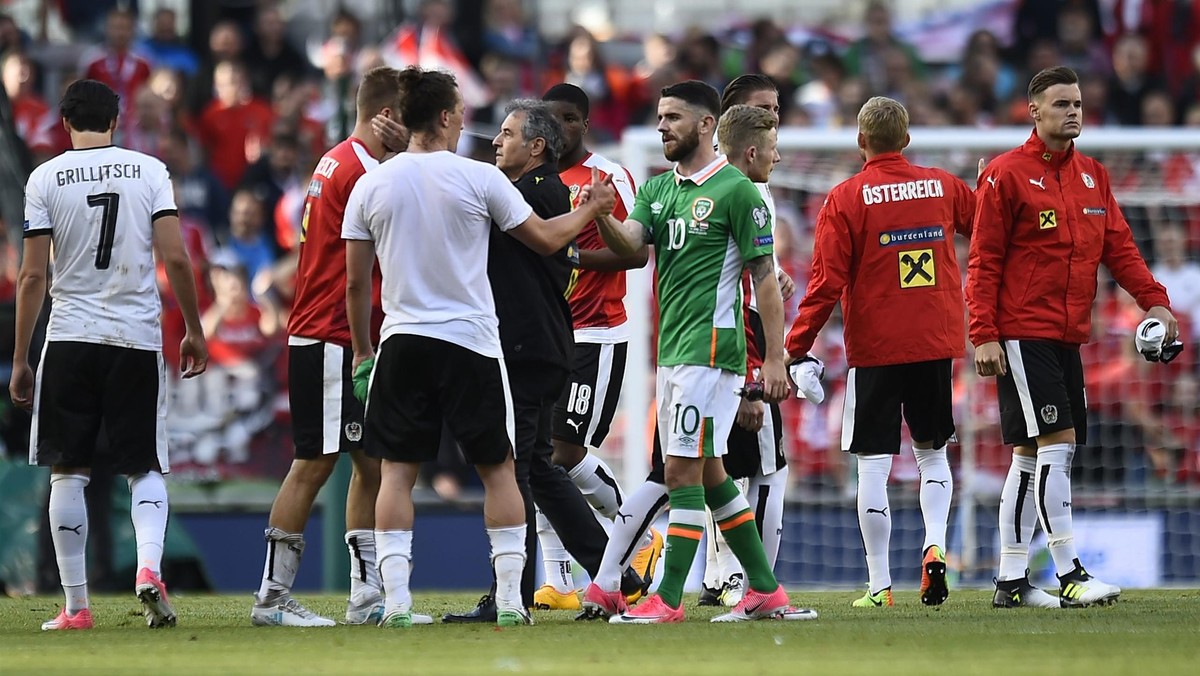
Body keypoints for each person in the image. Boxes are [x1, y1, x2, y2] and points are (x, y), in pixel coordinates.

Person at [342, 67, 615, 628]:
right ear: (444, 116)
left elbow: (354, 283)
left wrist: (365, 352)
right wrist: (592, 209)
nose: (472, 120)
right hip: (471, 342)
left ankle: (395, 604)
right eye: (462, 108)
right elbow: (543, 237)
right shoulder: (478, 179)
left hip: (402, 339)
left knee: (396, 472)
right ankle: (513, 602)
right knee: (500, 469)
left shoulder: (370, 185)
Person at [584, 80, 792, 624]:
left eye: (673, 117)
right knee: (711, 474)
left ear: (705, 125)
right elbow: (630, 245)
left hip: (711, 353)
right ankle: (766, 590)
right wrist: (603, 214)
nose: (662, 126)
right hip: (674, 353)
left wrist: (773, 359)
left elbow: (764, 280)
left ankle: (669, 597)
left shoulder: (736, 191)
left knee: (678, 474)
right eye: (659, 117)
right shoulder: (658, 191)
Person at [969, 65, 1176, 608]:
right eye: (1061, 103)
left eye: (1078, 102)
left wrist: (1156, 301)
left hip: (1067, 336)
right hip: (1020, 332)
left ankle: (1011, 582)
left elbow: (1121, 249)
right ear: (1034, 111)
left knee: (1027, 457)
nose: (1074, 111)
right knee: (1057, 449)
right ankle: (1069, 572)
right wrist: (983, 333)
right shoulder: (1005, 174)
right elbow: (983, 261)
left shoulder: (1093, 177)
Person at [12, 79, 208, 630]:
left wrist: (24, 356)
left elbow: (31, 274)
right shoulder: (149, 170)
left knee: (68, 473)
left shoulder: (44, 178)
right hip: (135, 337)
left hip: (71, 337)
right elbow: (177, 257)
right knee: (143, 465)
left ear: (65, 122)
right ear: (116, 121)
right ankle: (149, 569)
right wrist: (193, 328)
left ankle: (76, 607)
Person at [442, 99, 645, 623]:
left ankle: (507, 597)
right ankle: (614, 574)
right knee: (537, 466)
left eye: (506, 134)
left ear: (535, 146)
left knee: (516, 467)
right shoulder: (539, 189)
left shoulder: (534, 192)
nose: (495, 141)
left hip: (527, 347)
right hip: (541, 344)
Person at [784, 96, 974, 608]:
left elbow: (825, 284)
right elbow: (986, 230)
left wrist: (794, 346)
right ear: (907, 139)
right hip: (935, 341)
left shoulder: (845, 198)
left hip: (876, 347)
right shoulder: (944, 186)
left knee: (872, 466)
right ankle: (935, 545)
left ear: (860, 141)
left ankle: (878, 584)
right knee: (933, 454)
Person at [250, 66, 418, 627]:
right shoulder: (358, 172)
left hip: (335, 333)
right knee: (314, 462)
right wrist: (365, 348)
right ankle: (272, 599)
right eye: (409, 116)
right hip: (332, 336)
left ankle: (366, 596)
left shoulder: (337, 161)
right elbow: (352, 276)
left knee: (369, 462)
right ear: (387, 117)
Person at [532, 82, 662, 611]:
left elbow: (635, 253)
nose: (557, 128)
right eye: (548, 119)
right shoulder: (535, 178)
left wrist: (572, 260)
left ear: (584, 123)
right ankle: (559, 582)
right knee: (538, 456)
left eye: (566, 118)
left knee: (560, 452)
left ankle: (637, 537)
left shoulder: (608, 176)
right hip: (547, 335)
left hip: (598, 333)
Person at [700, 74, 798, 608]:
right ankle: (749, 581)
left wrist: (773, 276)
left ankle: (719, 574)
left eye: (777, 108)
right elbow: (736, 286)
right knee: (762, 469)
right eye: (763, 110)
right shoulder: (741, 186)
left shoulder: (704, 181)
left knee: (713, 466)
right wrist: (760, 375)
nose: (774, 117)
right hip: (741, 345)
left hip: (711, 344)